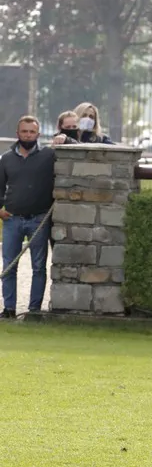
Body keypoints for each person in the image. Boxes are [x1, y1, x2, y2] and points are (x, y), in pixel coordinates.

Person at [0, 116, 56, 318]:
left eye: (32, 132)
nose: (28, 135)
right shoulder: (6, 159)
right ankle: (9, 309)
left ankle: (33, 310)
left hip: (38, 220)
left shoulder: (49, 156)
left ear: (38, 134)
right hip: (12, 220)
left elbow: (75, 147)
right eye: (24, 131)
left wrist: (65, 140)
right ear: (18, 134)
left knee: (39, 266)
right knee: (9, 265)